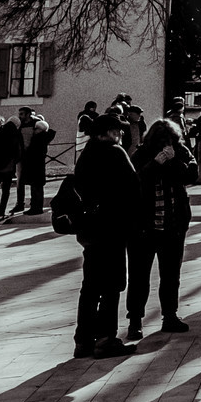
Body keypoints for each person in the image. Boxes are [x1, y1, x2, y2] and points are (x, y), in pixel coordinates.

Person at [72, 112, 139, 359]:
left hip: (89, 230)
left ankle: (83, 340)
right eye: (118, 130)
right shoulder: (115, 152)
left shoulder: (85, 155)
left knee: (89, 286)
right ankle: (106, 338)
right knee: (112, 285)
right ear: (107, 132)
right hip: (112, 228)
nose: (121, 133)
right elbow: (133, 187)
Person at [126, 116, 197, 338]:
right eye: (162, 141)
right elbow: (134, 182)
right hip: (143, 228)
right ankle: (135, 320)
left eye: (170, 141)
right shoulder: (141, 154)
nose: (166, 145)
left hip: (173, 225)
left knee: (171, 274)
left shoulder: (181, 151)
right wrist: (156, 162)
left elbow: (192, 175)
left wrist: (174, 160)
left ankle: (170, 316)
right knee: (139, 276)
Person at [12, 104, 55, 215]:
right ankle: (30, 206)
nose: (19, 116)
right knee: (31, 182)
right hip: (25, 158)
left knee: (37, 183)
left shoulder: (37, 125)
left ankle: (37, 207)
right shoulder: (21, 126)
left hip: (36, 158)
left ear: (28, 114)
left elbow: (45, 138)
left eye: (22, 114)